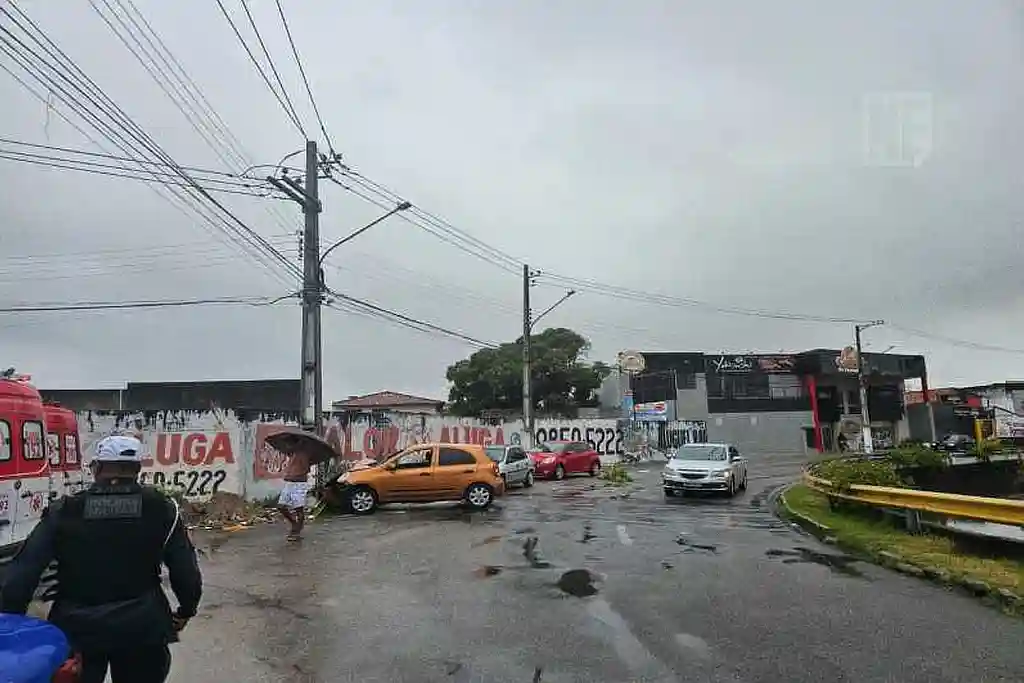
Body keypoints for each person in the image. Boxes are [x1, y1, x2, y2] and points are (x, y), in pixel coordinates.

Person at [0, 434, 203, 683]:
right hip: (142, 627)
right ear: (137, 469)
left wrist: (13, 627)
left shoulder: (65, 511)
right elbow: (186, 571)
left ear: (97, 468)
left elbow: (22, 574)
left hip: (76, 630)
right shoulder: (162, 508)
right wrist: (185, 610)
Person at [277, 445, 312, 542]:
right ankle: (294, 524)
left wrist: (294, 474)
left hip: (299, 484)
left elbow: (306, 470)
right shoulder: (292, 453)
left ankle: (297, 531)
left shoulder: (303, 454)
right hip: (289, 483)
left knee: (298, 509)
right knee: (281, 506)